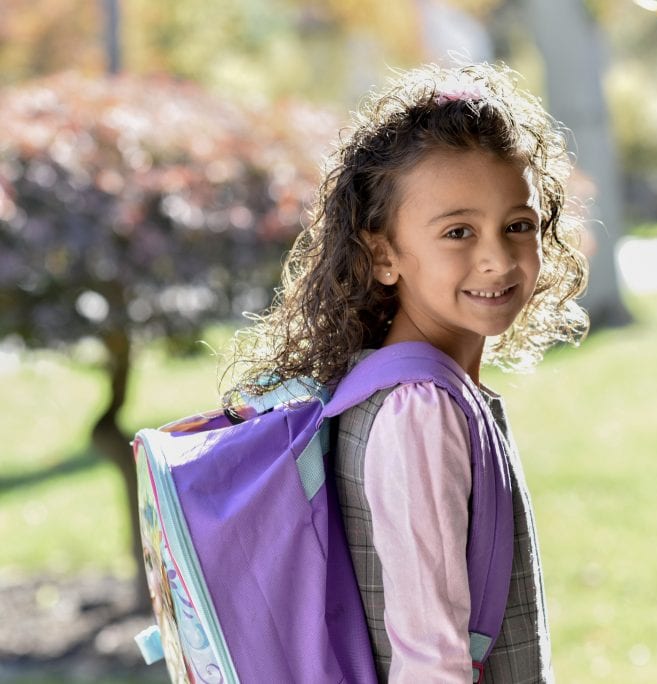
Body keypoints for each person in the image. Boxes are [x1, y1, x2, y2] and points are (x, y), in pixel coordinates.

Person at [225, 62, 588, 682]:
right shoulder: (421, 412)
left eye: (518, 226)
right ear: (384, 255)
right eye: (457, 232)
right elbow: (433, 659)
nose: (497, 257)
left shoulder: (391, 383)